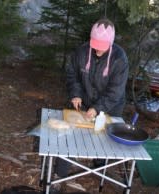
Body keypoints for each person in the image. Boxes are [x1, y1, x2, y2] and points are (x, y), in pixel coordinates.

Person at [54, 18, 129, 182]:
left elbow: (115, 91)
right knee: (70, 137)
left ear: (111, 43)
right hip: (85, 100)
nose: (98, 50)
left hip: (111, 106)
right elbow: (72, 75)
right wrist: (75, 94)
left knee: (104, 140)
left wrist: (98, 108)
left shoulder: (119, 58)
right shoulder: (81, 52)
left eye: (102, 47)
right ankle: (59, 175)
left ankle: (100, 167)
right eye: (95, 45)